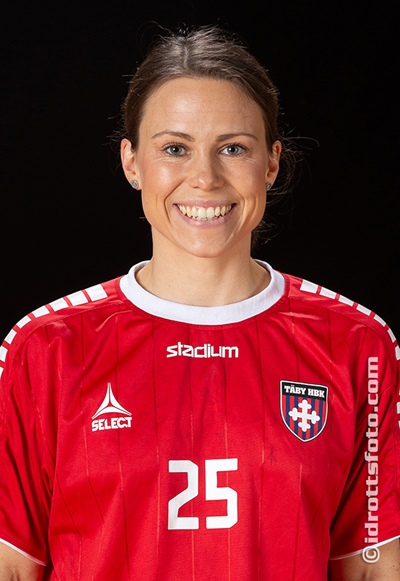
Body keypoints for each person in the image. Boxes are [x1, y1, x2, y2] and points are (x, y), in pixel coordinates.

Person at [0, 25, 399, 581]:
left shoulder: (357, 344)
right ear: (131, 162)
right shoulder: (45, 348)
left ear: (272, 163)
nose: (205, 179)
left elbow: (374, 568)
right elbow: (13, 568)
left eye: (233, 148)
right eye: (175, 149)